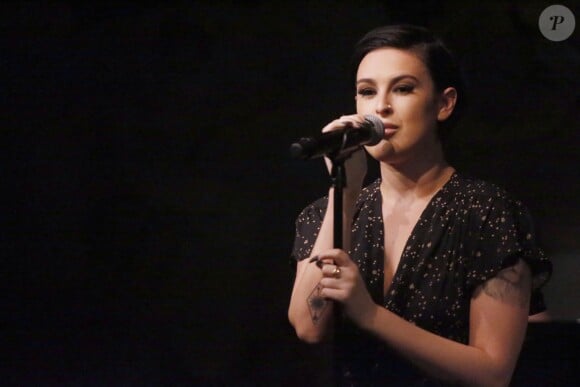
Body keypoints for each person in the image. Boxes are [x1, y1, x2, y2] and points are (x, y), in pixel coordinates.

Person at [287, 24, 552, 386]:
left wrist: (370, 315)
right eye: (367, 92)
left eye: (403, 88)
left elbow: (492, 373)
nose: (380, 106)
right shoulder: (326, 212)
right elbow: (309, 327)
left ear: (444, 103)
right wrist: (344, 194)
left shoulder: (485, 212)